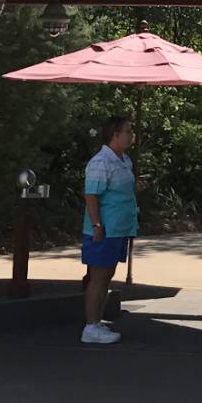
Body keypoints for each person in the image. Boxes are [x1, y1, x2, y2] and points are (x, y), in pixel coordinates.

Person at [80, 114, 138, 346]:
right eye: (128, 131)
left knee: (106, 276)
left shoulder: (124, 160)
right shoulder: (100, 162)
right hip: (103, 229)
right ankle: (91, 326)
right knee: (98, 277)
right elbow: (91, 195)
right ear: (114, 134)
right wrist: (96, 225)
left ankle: (96, 322)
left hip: (118, 229)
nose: (131, 136)